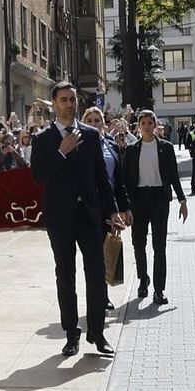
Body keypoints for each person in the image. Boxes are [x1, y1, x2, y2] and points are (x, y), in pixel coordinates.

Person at [30, 82, 126, 358]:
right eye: (64, 99)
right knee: (66, 276)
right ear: (54, 103)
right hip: (60, 219)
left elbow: (100, 178)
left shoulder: (91, 135)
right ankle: (71, 333)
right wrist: (62, 151)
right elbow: (39, 177)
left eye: (73, 99)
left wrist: (113, 211)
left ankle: (96, 332)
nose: (70, 104)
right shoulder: (43, 139)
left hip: (89, 216)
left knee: (96, 274)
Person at [122, 110, 188, 305]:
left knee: (159, 246)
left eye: (150, 122)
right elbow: (125, 180)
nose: (147, 126)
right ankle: (143, 279)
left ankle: (159, 290)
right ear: (139, 126)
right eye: (143, 123)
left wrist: (182, 201)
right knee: (138, 242)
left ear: (155, 125)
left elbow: (174, 176)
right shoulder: (132, 150)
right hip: (139, 199)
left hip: (159, 198)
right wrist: (124, 207)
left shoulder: (166, 148)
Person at [82, 106, 132, 313]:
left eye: (97, 120)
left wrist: (125, 207)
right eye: (90, 120)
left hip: (109, 206)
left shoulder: (110, 144)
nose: (94, 124)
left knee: (108, 251)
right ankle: (97, 298)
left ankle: (105, 295)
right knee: (93, 255)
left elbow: (118, 180)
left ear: (104, 123)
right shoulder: (80, 144)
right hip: (89, 207)